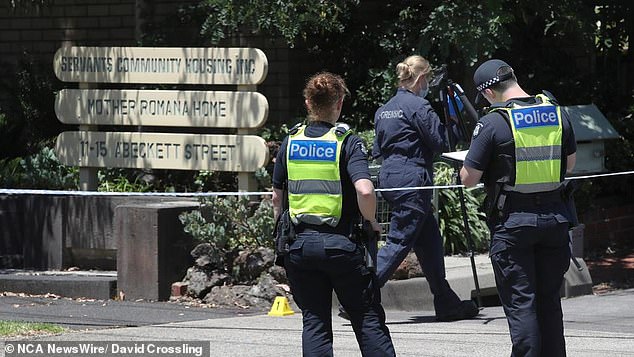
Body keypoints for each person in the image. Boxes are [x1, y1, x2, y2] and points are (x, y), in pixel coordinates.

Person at [272, 72, 396, 357]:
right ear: (339, 103)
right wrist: (372, 221)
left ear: (307, 102)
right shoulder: (347, 142)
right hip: (343, 246)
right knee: (366, 318)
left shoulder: (291, 141)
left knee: (314, 321)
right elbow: (365, 191)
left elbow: (277, 196)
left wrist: (280, 228)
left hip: (300, 246)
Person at [460, 59, 577, 356]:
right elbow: (570, 164)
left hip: (514, 223)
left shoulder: (493, 122)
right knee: (549, 301)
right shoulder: (556, 113)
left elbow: (469, 179)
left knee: (521, 303)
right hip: (555, 220)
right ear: (514, 77)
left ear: (488, 93)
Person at [370, 55, 478, 321]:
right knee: (398, 242)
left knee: (429, 242)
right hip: (412, 180)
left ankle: (446, 303)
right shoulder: (419, 107)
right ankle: (359, 297)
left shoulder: (384, 109)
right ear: (420, 78)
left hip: (391, 179)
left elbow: (378, 149)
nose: (429, 83)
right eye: (428, 78)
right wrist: (451, 121)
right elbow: (441, 142)